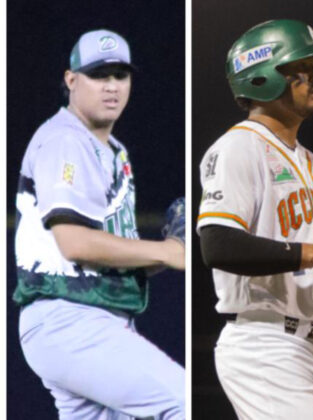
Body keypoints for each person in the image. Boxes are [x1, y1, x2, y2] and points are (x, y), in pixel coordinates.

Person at [197, 19, 313, 420]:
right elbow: (218, 245)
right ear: (260, 77)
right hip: (265, 343)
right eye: (301, 68)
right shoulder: (238, 147)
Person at [14, 29, 186, 419]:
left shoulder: (113, 150)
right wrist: (168, 251)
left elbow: (108, 258)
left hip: (89, 321)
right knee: (182, 401)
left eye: (120, 75)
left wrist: (166, 255)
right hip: (69, 320)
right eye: (98, 74)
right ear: (71, 80)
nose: (111, 86)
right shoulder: (65, 140)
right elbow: (74, 243)